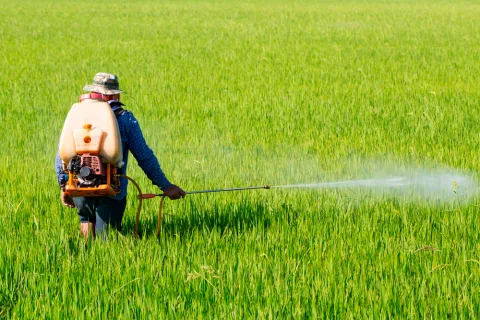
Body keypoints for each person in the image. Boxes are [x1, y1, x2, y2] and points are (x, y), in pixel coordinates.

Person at [55, 72, 185, 239]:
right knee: (107, 240)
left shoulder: (77, 115)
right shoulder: (125, 119)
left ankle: (86, 258)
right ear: (115, 94)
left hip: (79, 186)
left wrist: (64, 185)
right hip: (112, 190)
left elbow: (61, 155)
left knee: (86, 221)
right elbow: (145, 157)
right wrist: (165, 186)